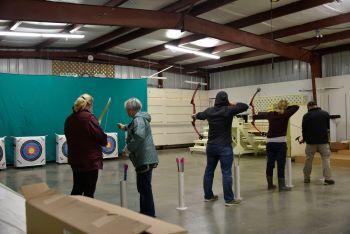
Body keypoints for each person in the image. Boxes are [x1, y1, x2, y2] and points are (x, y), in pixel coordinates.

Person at [194, 91, 248, 206]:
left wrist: (194, 116)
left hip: (211, 146)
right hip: (224, 147)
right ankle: (229, 199)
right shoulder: (229, 110)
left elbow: (199, 115)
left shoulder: (209, 111)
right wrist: (232, 103)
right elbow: (245, 106)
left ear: (216, 100)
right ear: (226, 100)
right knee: (226, 173)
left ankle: (208, 196)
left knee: (209, 171)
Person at [118, 98, 159, 217]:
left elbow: (139, 136)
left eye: (127, 110)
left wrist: (127, 149)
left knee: (144, 188)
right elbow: (134, 127)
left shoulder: (139, 119)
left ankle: (149, 214)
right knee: (143, 187)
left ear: (131, 110)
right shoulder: (139, 118)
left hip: (144, 159)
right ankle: (145, 212)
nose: (126, 112)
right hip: (145, 159)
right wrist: (124, 127)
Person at [64, 93, 107, 198]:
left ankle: (71, 212)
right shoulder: (89, 118)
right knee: (89, 192)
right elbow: (102, 139)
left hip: (76, 161)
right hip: (90, 162)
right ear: (89, 105)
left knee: (77, 188)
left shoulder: (69, 119)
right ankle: (86, 214)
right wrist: (97, 126)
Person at [254, 100, 299, 191]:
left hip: (270, 143)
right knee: (281, 164)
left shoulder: (271, 114)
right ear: (285, 107)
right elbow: (296, 107)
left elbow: (257, 116)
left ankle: (270, 185)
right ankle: (281, 186)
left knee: (270, 163)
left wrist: (254, 115)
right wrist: (285, 110)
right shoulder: (286, 114)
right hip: (280, 144)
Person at [301, 101, 335, 185]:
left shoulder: (306, 116)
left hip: (310, 142)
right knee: (326, 159)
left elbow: (304, 130)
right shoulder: (325, 114)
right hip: (323, 141)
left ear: (308, 107)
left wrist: (304, 139)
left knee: (309, 159)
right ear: (316, 105)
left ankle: (306, 178)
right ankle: (328, 179)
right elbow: (327, 128)